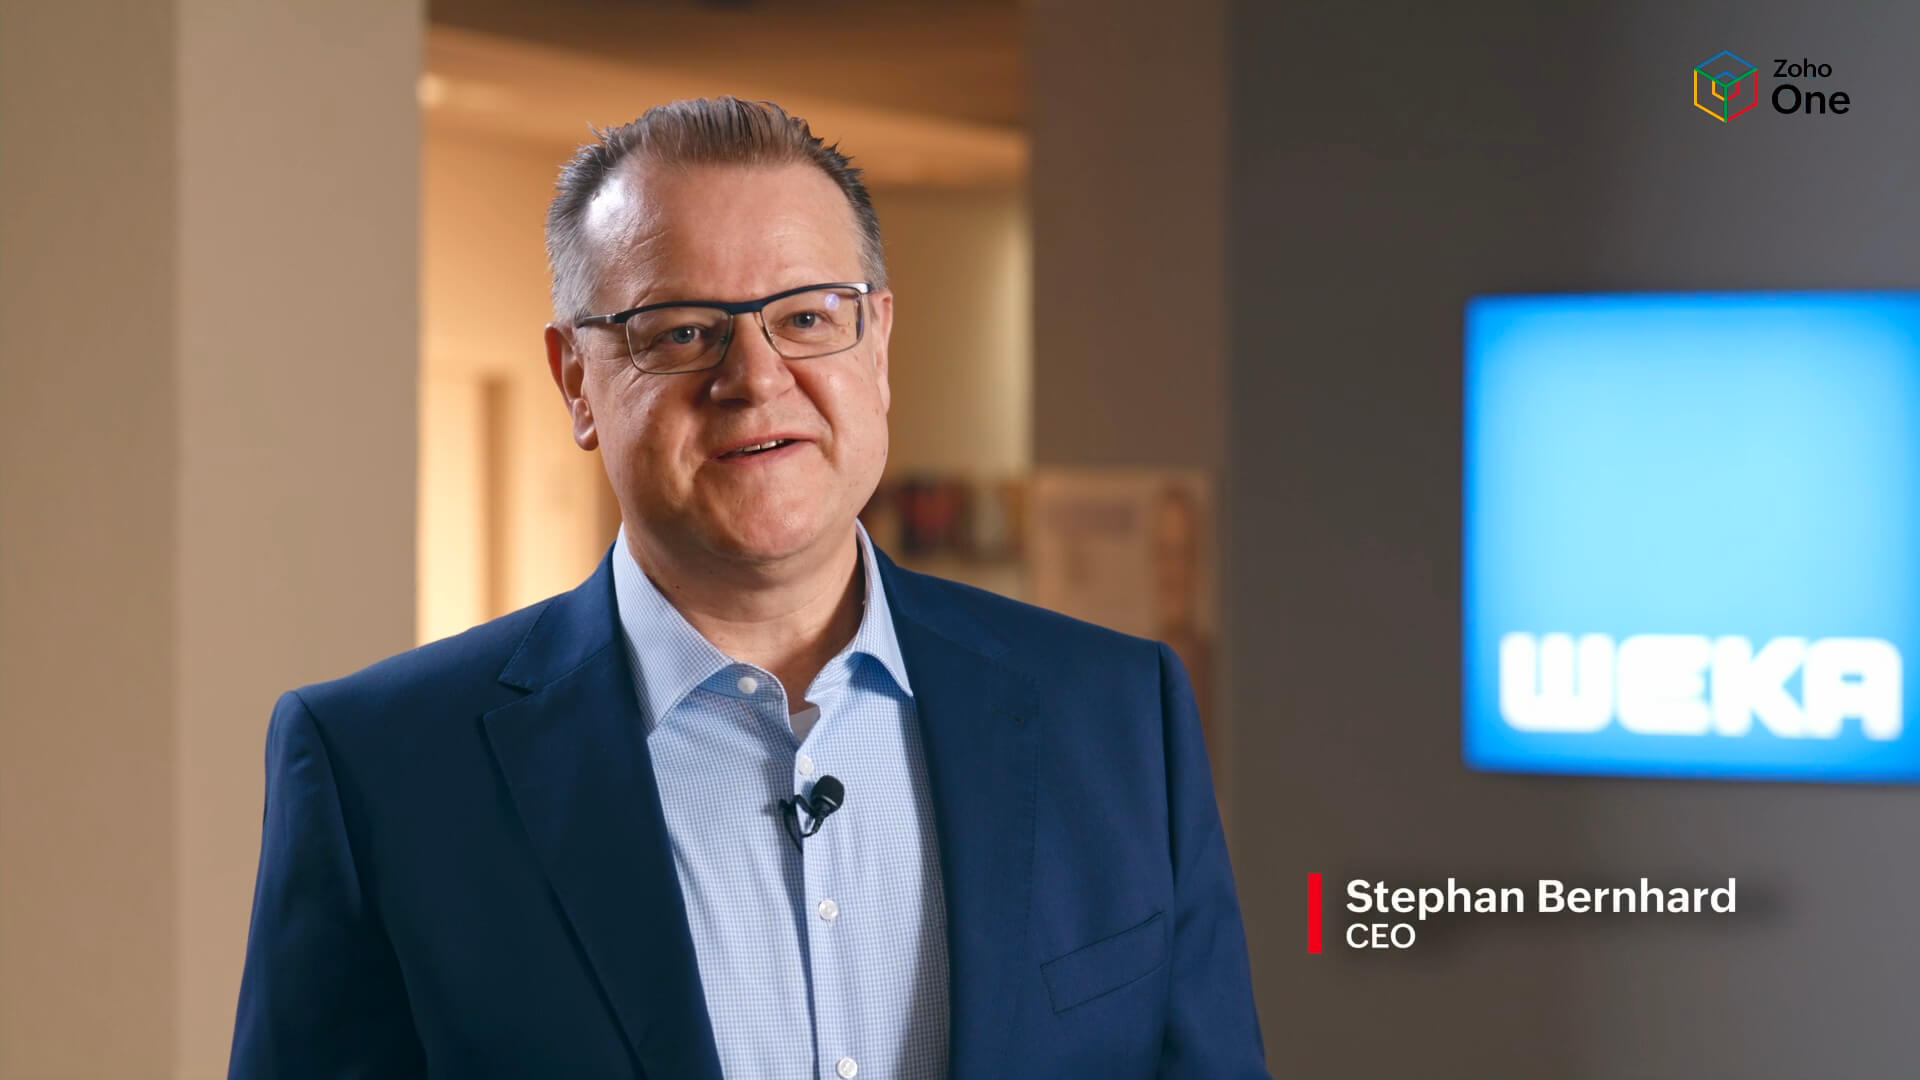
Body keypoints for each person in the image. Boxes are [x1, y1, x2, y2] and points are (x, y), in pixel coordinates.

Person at [229, 96, 1267, 1079]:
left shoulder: (1117, 715)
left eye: (807, 317)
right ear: (576, 380)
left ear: (879, 345)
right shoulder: (382, 772)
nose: (757, 378)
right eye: (682, 330)